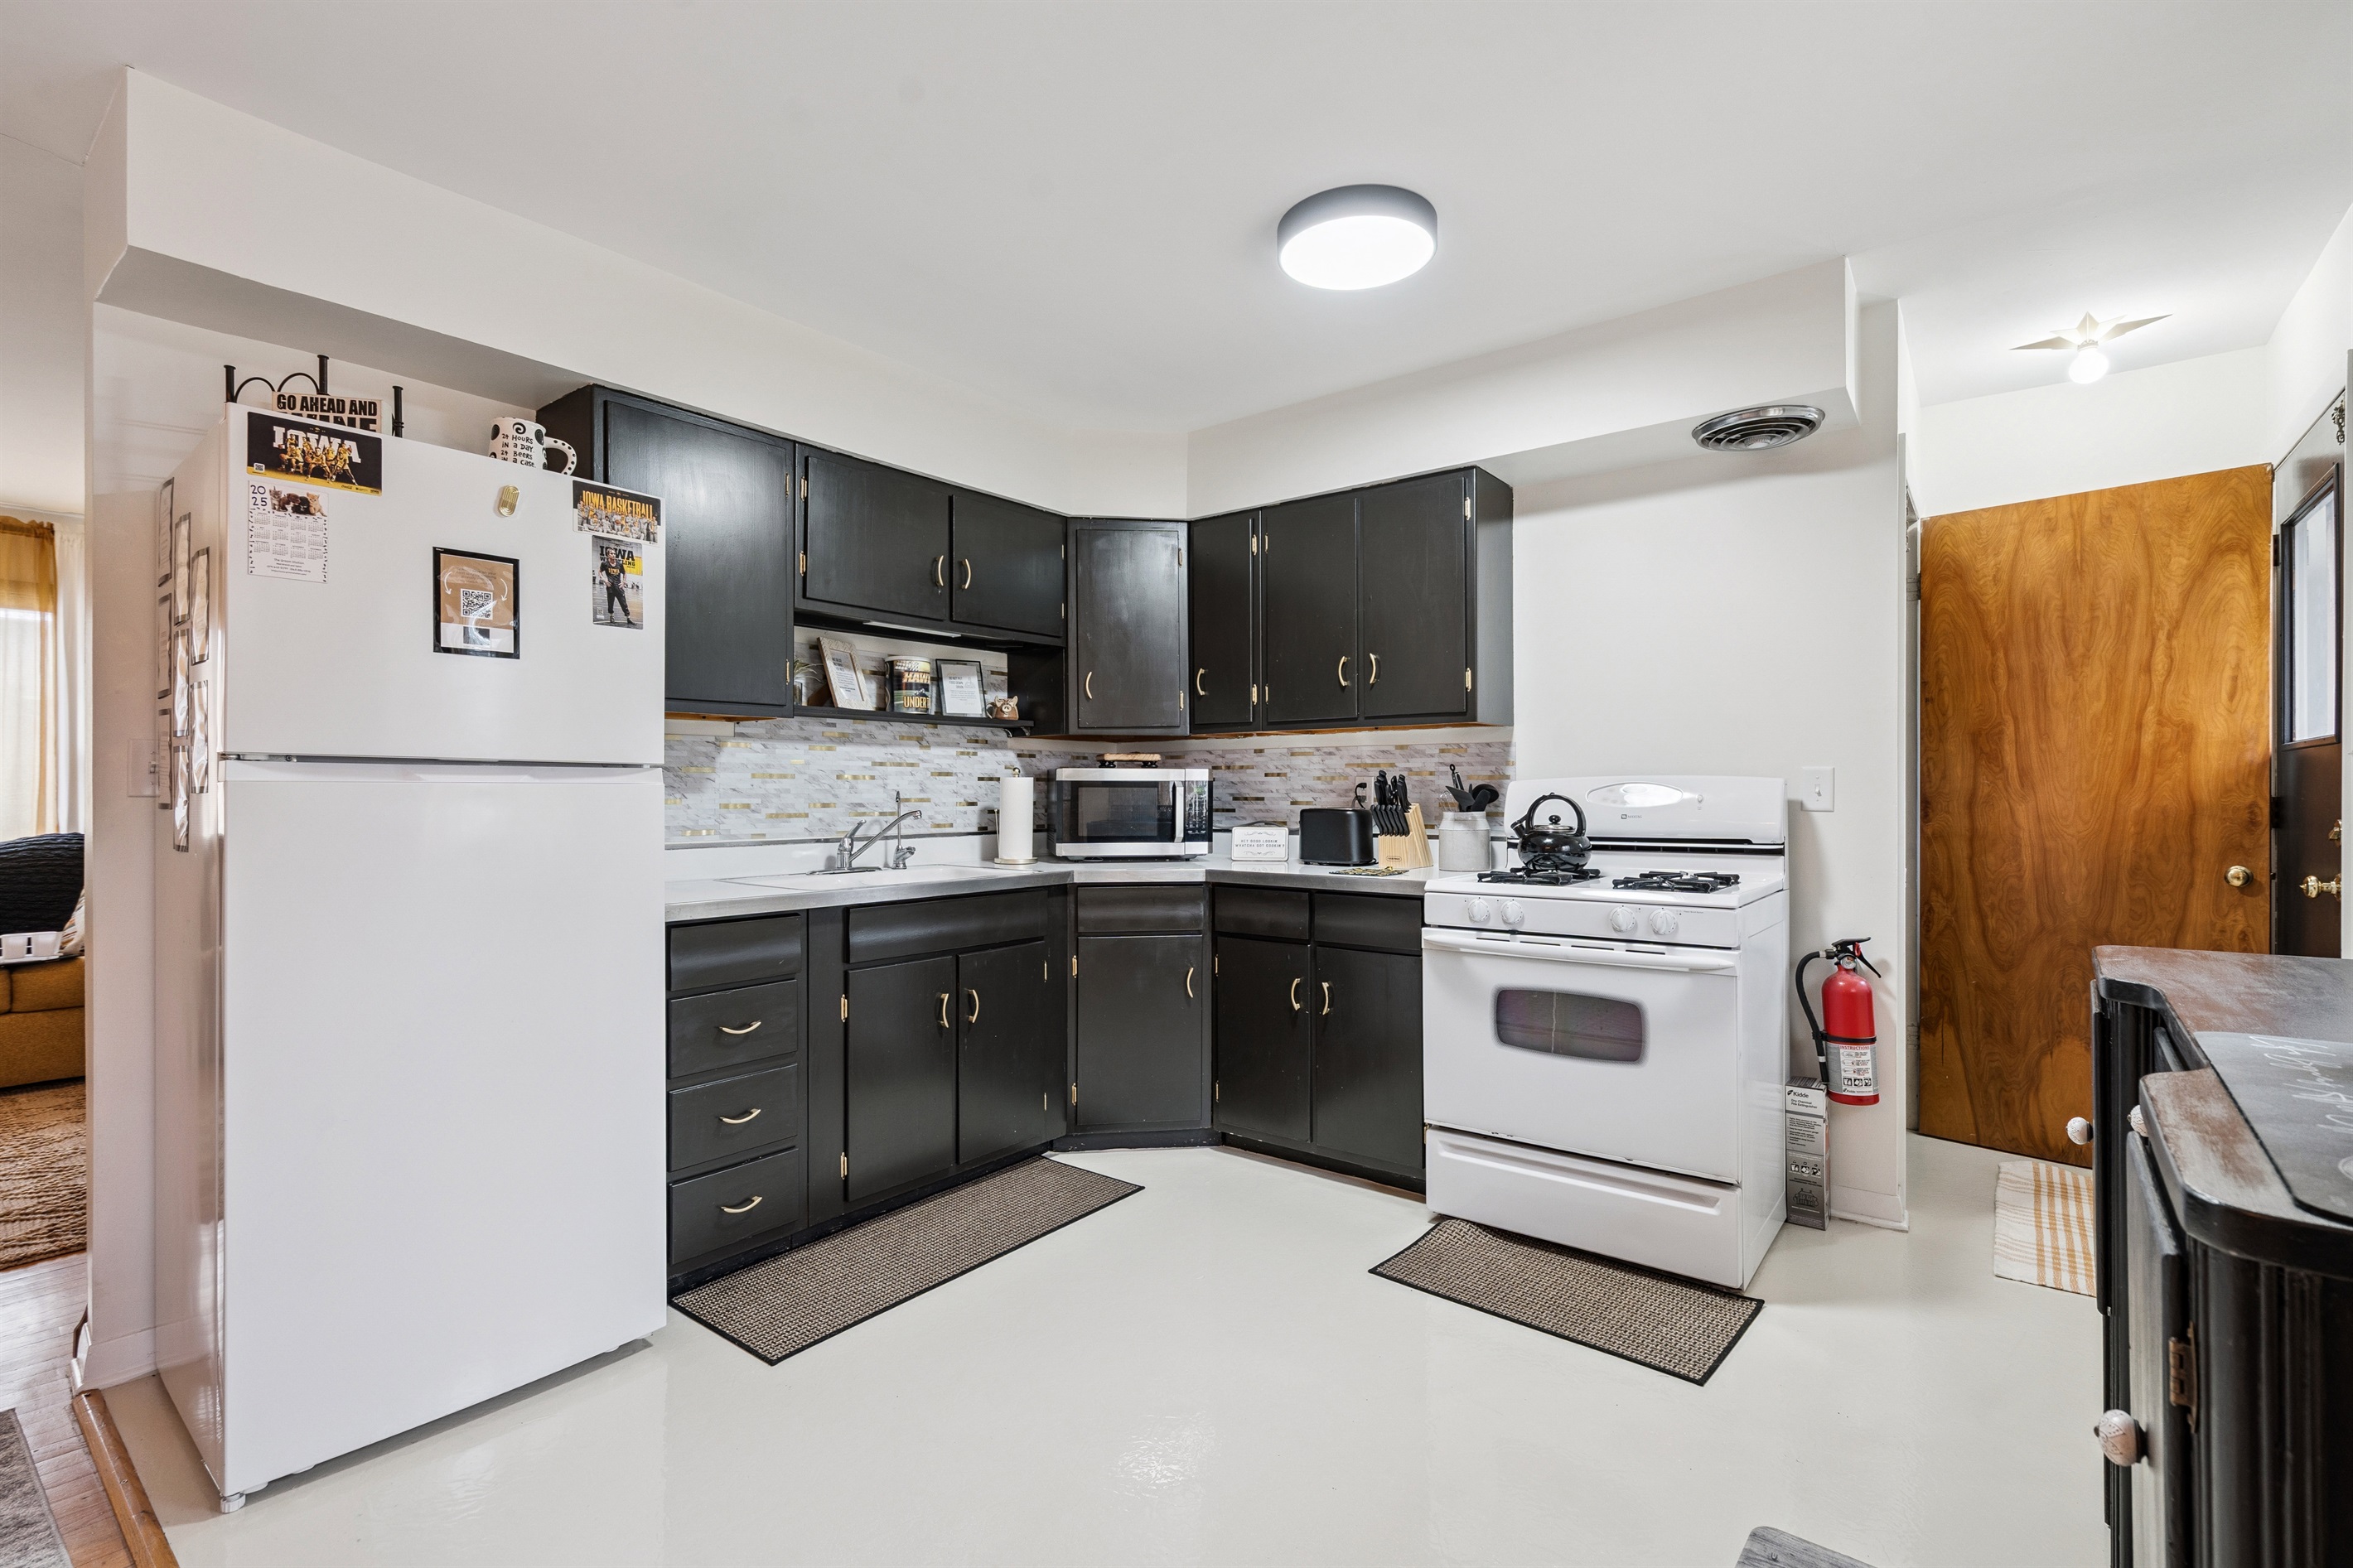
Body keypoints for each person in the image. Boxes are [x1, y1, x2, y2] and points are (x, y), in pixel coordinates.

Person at [599, 544, 633, 626]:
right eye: (612, 554)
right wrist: (604, 580)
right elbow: (600, 572)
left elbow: (624, 573)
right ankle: (611, 616)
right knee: (610, 603)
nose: (614, 555)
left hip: (619, 587)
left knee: (624, 603)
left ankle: (628, 618)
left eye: (614, 554)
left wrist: (624, 582)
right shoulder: (604, 563)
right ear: (608, 555)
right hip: (610, 587)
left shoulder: (619, 564)